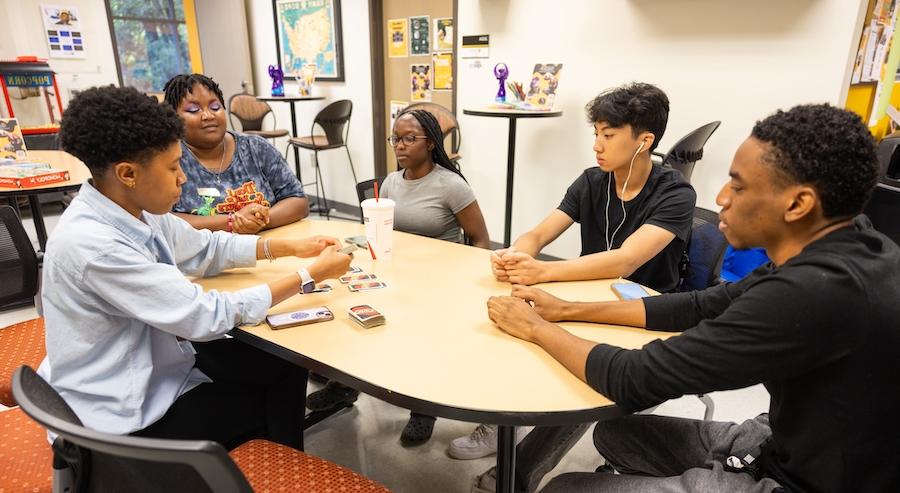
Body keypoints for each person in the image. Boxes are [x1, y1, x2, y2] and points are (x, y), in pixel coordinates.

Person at [485, 104, 900, 492]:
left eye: (737, 185)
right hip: (781, 437)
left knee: (566, 488)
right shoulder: (848, 241)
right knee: (616, 434)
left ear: (797, 204)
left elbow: (639, 377)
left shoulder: (812, 293)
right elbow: (700, 305)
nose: (720, 198)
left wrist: (536, 328)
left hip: (803, 480)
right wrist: (568, 309)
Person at [37, 85, 353, 451]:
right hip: (122, 418)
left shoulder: (130, 207)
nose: (183, 178)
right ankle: (277, 466)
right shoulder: (95, 246)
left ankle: (281, 461)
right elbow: (205, 315)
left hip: (154, 365)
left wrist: (289, 247)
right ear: (127, 174)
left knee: (282, 364)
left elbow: (205, 247)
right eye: (173, 167)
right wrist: (309, 275)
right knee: (275, 395)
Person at [457, 82, 696, 464]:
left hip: (643, 309)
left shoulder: (675, 193)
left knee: (583, 369)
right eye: (596, 134)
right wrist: (517, 253)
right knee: (512, 328)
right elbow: (540, 232)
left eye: (609, 135)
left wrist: (543, 273)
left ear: (644, 140)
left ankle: (518, 476)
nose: (597, 145)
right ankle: (505, 423)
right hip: (585, 295)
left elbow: (625, 262)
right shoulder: (591, 181)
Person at [308, 108, 490, 447]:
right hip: (397, 272)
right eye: (396, 139)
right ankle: (347, 385)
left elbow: (480, 239)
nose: (400, 146)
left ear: (431, 143)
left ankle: (424, 408)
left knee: (422, 336)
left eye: (409, 139)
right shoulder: (392, 182)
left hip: (439, 282)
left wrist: (469, 282)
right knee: (355, 311)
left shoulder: (451, 185)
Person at [163, 74, 309, 234]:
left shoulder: (255, 147)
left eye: (215, 107)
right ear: (174, 117)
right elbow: (164, 221)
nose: (208, 115)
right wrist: (232, 222)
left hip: (272, 246)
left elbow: (298, 201)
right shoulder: (169, 159)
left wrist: (258, 221)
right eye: (194, 110)